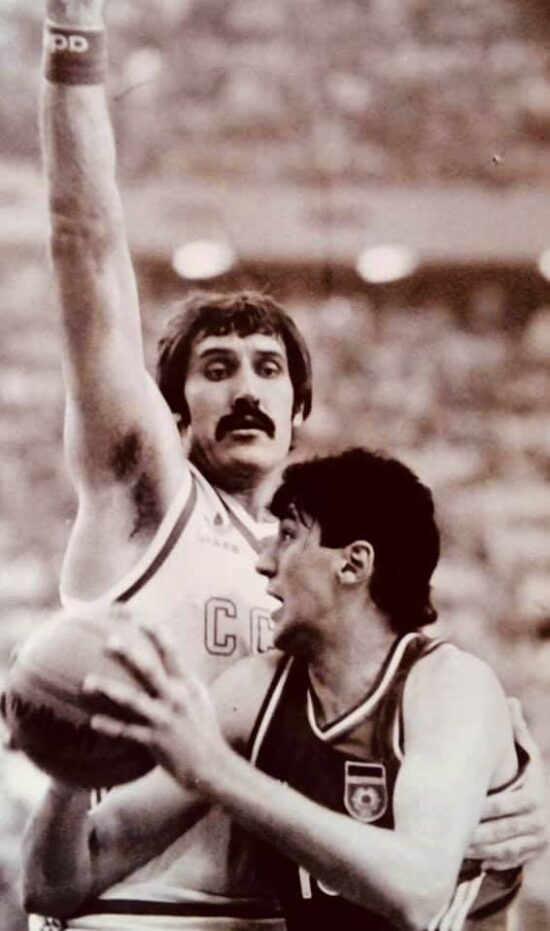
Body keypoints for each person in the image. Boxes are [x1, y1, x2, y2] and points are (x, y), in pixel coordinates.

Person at [31, 0, 545, 927]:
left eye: (269, 369)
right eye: (216, 368)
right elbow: (86, 242)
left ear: (300, 410)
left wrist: (521, 787)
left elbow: (428, 717)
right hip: (135, 901)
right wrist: (74, 42)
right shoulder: (151, 494)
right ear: (173, 410)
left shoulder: (312, 560)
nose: (246, 388)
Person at [24, 449, 529, 931]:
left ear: (353, 564)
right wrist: (69, 769)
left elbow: (418, 893)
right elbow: (57, 886)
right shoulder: (258, 689)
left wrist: (217, 771)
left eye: (287, 536)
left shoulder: (450, 687)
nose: (264, 561)